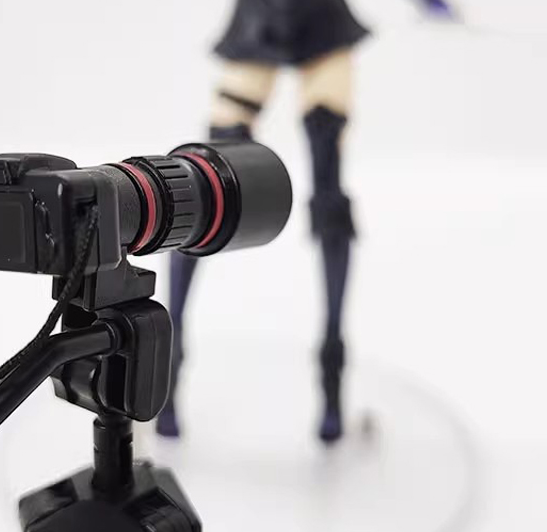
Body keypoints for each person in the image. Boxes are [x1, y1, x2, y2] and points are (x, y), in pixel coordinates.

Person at [158, 0, 456, 443]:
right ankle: (169, 358)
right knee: (207, 184)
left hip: (321, 24)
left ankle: (332, 371)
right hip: (261, 21)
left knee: (327, 190)